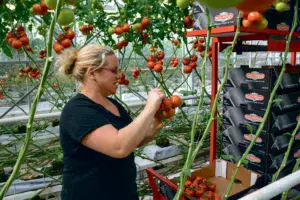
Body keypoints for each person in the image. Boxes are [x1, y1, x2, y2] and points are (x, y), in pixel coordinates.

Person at [56, 44, 166, 200]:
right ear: (92, 73)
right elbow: (119, 146)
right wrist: (149, 108)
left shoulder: (114, 105)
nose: (119, 75)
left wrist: (155, 122)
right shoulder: (77, 111)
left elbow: (132, 140)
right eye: (113, 70)